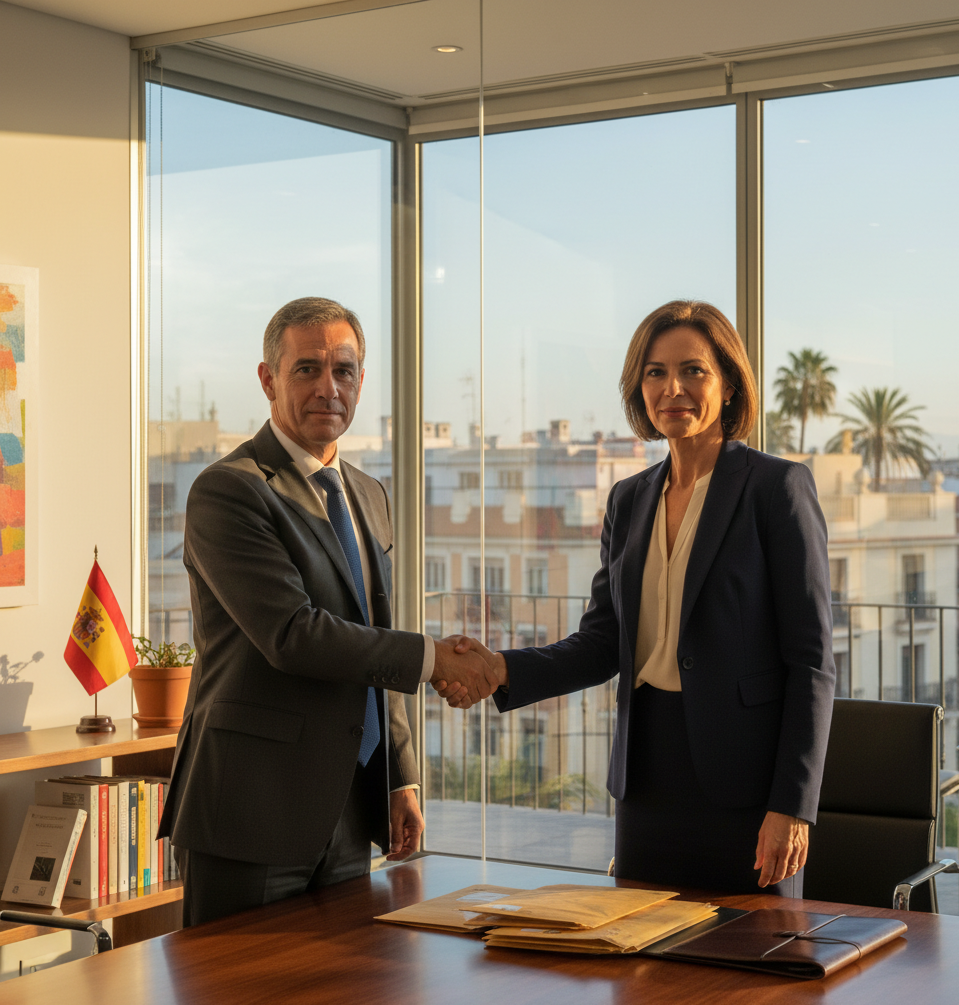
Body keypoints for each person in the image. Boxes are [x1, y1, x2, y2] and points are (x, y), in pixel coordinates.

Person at [441, 300, 834, 896]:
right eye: (655, 372)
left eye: (693, 370)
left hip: (746, 784)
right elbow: (603, 643)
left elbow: (812, 661)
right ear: (639, 388)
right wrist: (499, 669)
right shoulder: (628, 500)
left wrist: (793, 806)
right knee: (643, 970)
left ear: (728, 384)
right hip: (647, 777)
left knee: (751, 970)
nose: (673, 387)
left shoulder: (776, 488)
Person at [159, 297, 495, 926]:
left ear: (361, 381)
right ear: (268, 379)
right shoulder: (230, 489)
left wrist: (399, 775)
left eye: (344, 370)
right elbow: (293, 635)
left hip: (349, 805)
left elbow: (374, 633)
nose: (328, 387)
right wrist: (432, 658)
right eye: (306, 369)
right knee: (238, 1000)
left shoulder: (368, 493)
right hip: (251, 809)